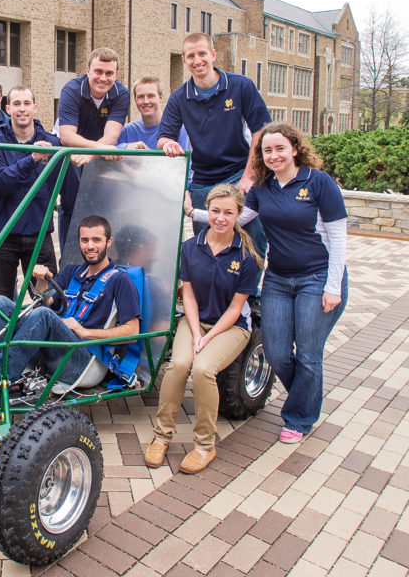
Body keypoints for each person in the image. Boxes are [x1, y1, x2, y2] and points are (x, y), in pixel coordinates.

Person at [191, 122, 348, 444]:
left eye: (279, 148)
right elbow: (235, 219)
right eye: (267, 150)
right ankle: (305, 396)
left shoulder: (318, 183)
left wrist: (333, 286)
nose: (274, 155)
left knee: (307, 353)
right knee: (277, 353)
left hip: (317, 278)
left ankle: (299, 417)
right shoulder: (263, 187)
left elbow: (339, 237)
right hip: (277, 278)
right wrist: (193, 211)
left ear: (294, 148)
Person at [146, 184, 262, 474]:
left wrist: (208, 337)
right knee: (179, 364)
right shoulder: (190, 247)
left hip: (231, 326)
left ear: (238, 214)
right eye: (215, 211)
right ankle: (161, 436)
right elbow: (190, 296)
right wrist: (197, 333)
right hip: (196, 320)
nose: (220, 218)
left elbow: (236, 309)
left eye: (228, 212)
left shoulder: (247, 256)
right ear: (206, 210)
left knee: (203, 369)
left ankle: (204, 445)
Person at [0, 216, 140, 388]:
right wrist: (42, 281)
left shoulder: (120, 280)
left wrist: (85, 332)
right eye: (84, 240)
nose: (90, 246)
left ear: (108, 242)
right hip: (55, 350)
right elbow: (45, 302)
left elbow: (132, 331)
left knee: (44, 315)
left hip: (84, 362)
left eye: (96, 240)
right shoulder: (72, 272)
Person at [158, 33, 270, 259]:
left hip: (238, 172)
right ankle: (214, 292)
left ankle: (251, 293)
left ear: (213, 55)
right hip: (202, 181)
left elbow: (261, 131)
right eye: (191, 56)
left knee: (253, 237)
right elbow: (163, 137)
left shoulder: (240, 86)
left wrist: (249, 177)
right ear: (184, 60)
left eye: (202, 53)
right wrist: (169, 143)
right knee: (209, 246)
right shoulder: (179, 97)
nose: (197, 60)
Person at [0, 85, 76, 298]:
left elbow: (69, 189)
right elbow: (0, 182)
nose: (22, 109)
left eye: (26, 103)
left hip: (38, 232)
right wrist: (32, 158)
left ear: (34, 108)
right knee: (2, 298)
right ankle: (8, 333)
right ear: (7, 109)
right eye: (16, 104)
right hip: (1, 232)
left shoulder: (53, 145)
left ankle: (41, 331)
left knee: (47, 297)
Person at [56, 48, 130, 248]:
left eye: (109, 73)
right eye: (98, 71)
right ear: (87, 70)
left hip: (101, 158)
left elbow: (112, 136)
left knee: (104, 208)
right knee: (71, 207)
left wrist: (91, 154)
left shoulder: (121, 94)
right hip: (73, 157)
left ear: (116, 75)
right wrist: (95, 151)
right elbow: (67, 136)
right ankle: (68, 263)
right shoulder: (71, 90)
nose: (103, 78)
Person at [117, 76, 188, 152]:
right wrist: (125, 147)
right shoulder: (128, 131)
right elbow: (111, 151)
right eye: (141, 97)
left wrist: (150, 156)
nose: (146, 101)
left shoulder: (179, 129)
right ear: (135, 100)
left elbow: (183, 160)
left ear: (161, 97)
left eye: (151, 96)